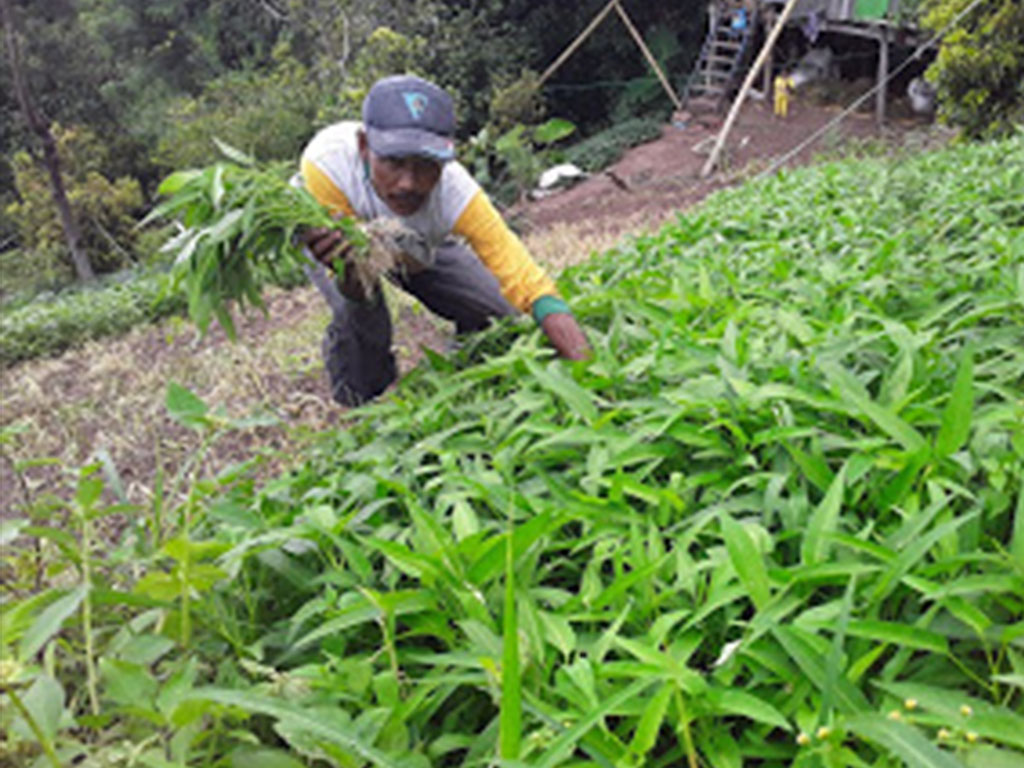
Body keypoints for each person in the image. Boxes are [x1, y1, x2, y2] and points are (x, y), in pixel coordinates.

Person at [297, 74, 590, 407]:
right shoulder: (325, 166)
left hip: (416, 240)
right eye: (393, 162)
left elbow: (525, 278)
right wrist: (347, 269)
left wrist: (587, 372)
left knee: (497, 310)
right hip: (345, 242)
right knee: (365, 321)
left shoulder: (456, 192)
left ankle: (462, 362)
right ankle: (359, 406)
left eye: (426, 166)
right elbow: (352, 279)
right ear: (365, 146)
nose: (408, 183)